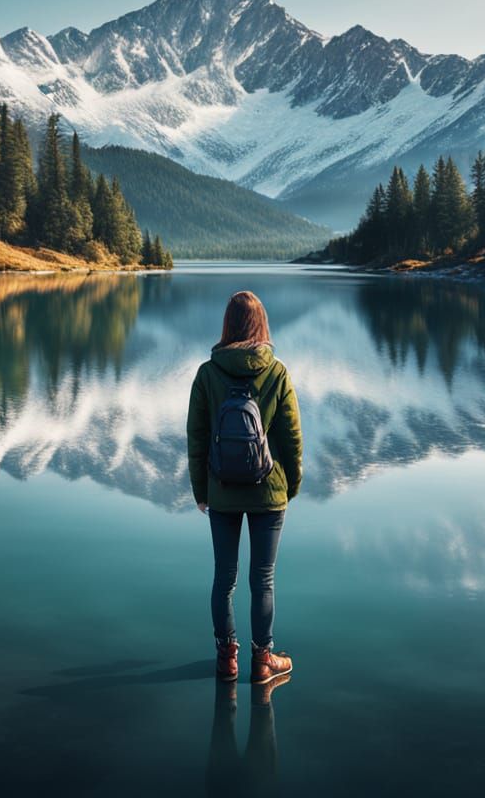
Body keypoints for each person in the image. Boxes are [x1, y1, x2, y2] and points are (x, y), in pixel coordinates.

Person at [187, 290, 303, 685]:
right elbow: (291, 437)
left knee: (225, 576)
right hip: (269, 492)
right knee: (263, 579)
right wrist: (291, 485)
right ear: (262, 325)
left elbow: (197, 437)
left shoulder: (207, 373)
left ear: (227, 325)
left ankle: (226, 658)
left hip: (220, 490)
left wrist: (201, 491)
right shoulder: (277, 372)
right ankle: (263, 661)